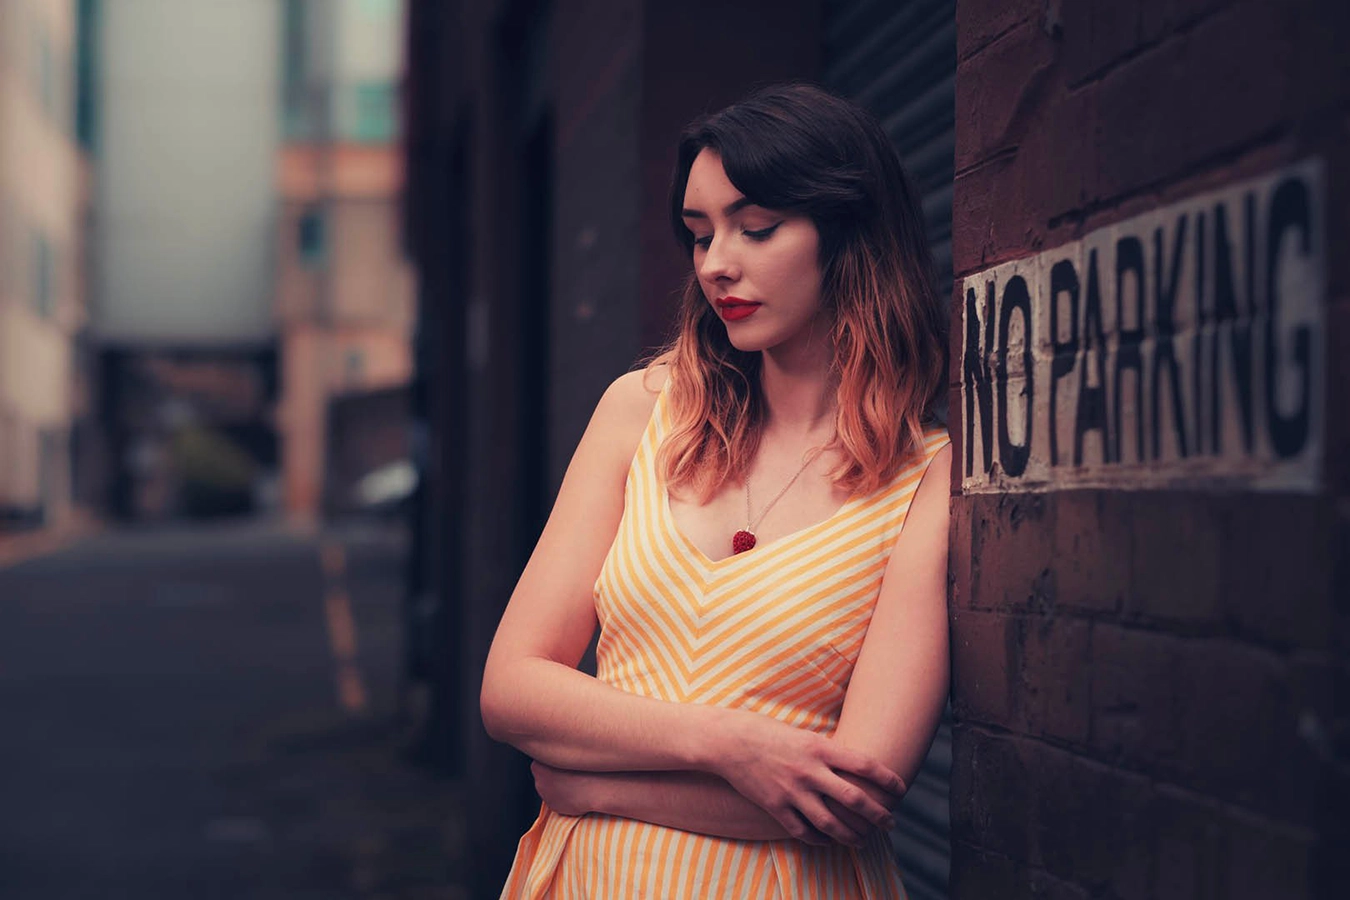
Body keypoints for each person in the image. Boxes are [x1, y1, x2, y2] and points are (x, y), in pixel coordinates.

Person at [481, 82, 952, 899]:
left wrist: (601, 786)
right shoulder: (644, 410)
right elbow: (512, 687)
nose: (716, 264)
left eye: (756, 228)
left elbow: (858, 792)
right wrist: (732, 746)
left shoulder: (928, 476)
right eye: (700, 235)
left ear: (850, 235)